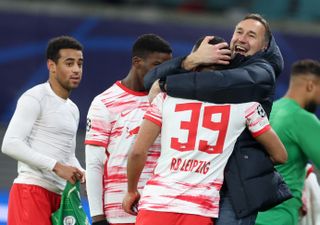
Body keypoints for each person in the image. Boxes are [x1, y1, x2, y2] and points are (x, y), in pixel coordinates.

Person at [144, 13, 291, 225]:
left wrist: (168, 85)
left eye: (251, 35)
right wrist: (191, 60)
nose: (241, 38)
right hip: (206, 181)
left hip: (235, 188)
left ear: (264, 46)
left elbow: (221, 83)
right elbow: (150, 80)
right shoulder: (226, 62)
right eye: (238, 32)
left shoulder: (262, 73)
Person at [84, 33, 172, 225]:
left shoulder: (169, 101)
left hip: (159, 207)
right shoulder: (105, 102)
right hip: (118, 211)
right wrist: (98, 217)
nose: (162, 73)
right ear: (137, 62)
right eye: (157, 65)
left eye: (167, 66)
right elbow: (94, 164)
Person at [1, 35, 85, 225]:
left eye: (79, 64)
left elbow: (68, 156)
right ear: (52, 66)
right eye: (69, 63)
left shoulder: (73, 109)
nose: (76, 70)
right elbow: (10, 144)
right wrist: (56, 166)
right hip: (31, 191)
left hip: (60, 196)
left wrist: (84, 173)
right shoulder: (34, 97)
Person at [255, 59, 320, 225]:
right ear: (311, 85)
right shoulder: (303, 118)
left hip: (252, 216)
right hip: (280, 216)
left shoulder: (269, 110)